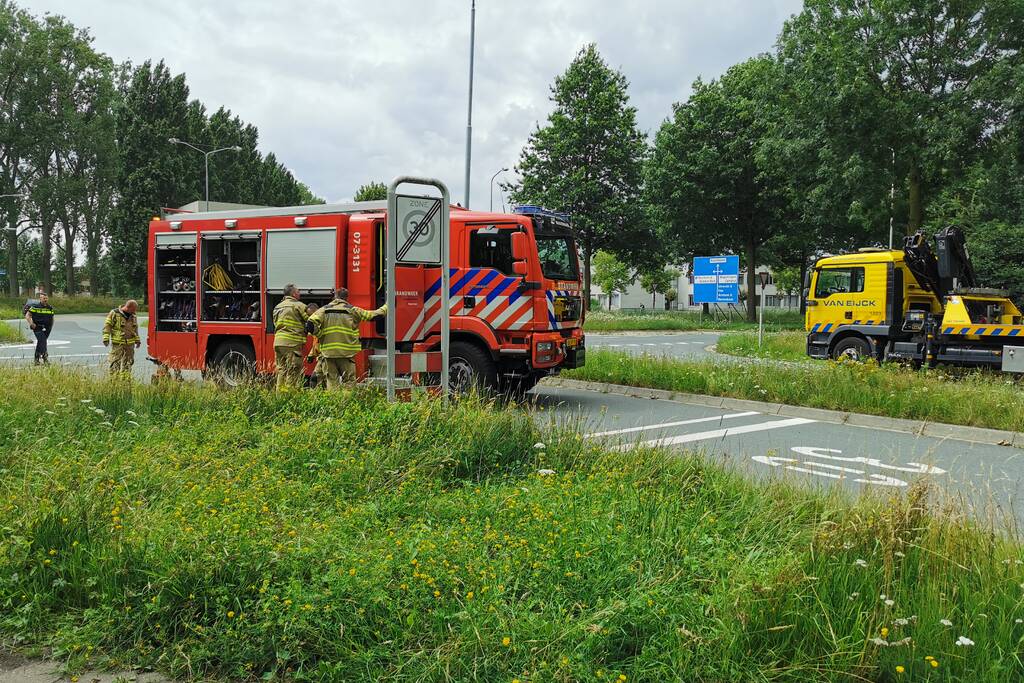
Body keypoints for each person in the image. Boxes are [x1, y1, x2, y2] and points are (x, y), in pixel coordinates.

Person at [306, 287, 387, 390]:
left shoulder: (323, 310)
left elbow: (309, 324)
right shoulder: (353, 310)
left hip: (328, 354)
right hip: (346, 355)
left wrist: (319, 333)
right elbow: (375, 315)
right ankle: (346, 404)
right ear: (347, 298)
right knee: (348, 382)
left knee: (332, 382)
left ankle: (335, 404)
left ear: (335, 297)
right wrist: (388, 306)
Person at [272, 284, 309, 391]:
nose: (300, 293)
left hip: (278, 342)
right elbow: (311, 320)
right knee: (293, 371)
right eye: (298, 291)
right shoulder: (299, 305)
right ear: (293, 294)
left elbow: (275, 323)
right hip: (292, 343)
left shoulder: (277, 306)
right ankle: (290, 397)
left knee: (281, 370)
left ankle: (279, 397)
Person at [102, 300, 141, 375]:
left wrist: (137, 340)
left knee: (128, 363)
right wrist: (106, 338)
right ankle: (114, 381)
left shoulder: (133, 316)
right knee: (115, 362)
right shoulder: (114, 313)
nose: (134, 312)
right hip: (118, 344)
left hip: (130, 345)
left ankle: (126, 381)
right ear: (128, 307)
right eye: (133, 310)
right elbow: (107, 326)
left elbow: (135, 328)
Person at [24, 293, 54, 365]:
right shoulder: (35, 307)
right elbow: (28, 315)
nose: (45, 300)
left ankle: (36, 360)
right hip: (37, 327)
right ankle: (45, 359)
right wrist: (31, 323)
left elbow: (52, 317)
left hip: (47, 328)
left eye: (46, 298)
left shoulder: (50, 307)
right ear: (40, 299)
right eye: (44, 298)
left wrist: (51, 326)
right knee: (43, 341)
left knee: (41, 342)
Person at [304, 303, 325, 388]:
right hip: (321, 356)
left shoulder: (323, 322)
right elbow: (316, 342)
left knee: (315, 378)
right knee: (318, 379)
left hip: (325, 355)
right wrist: (311, 355)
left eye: (311, 314)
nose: (310, 317)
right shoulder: (315, 325)